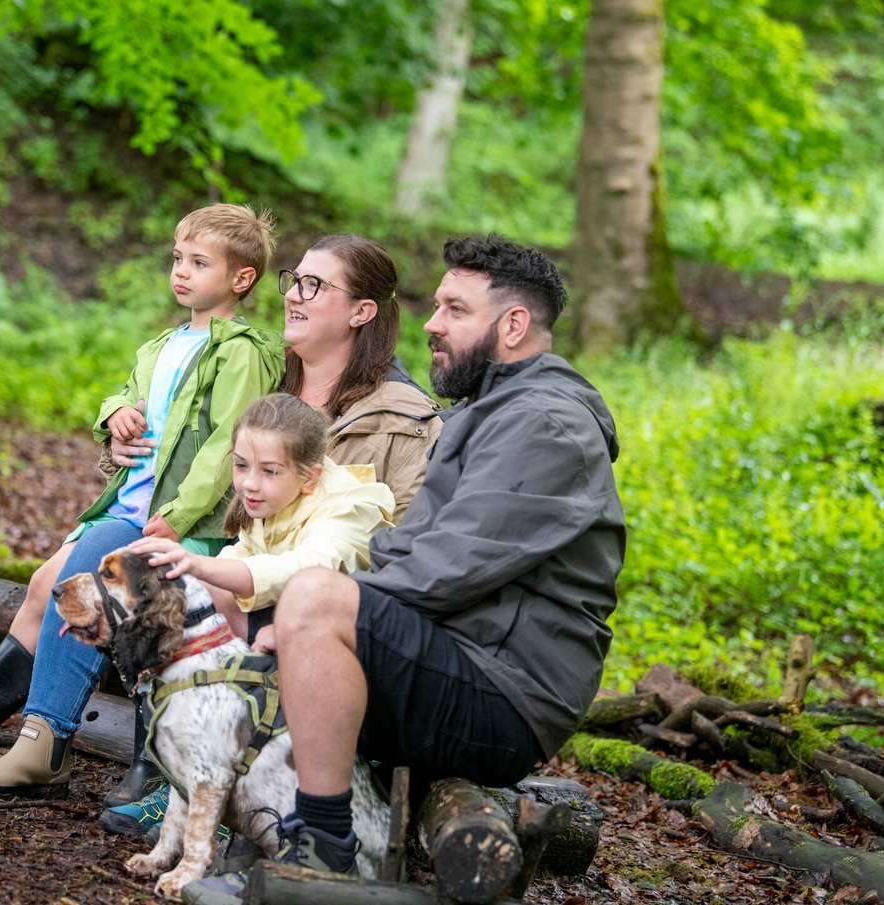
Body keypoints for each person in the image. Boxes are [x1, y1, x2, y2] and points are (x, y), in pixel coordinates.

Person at [183, 234, 626, 903]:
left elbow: (453, 567)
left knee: (309, 600)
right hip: (459, 658)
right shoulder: (488, 411)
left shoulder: (547, 424)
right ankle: (247, 812)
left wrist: (310, 609)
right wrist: (285, 609)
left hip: (506, 694)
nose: (430, 322)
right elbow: (402, 547)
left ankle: (325, 846)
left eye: (454, 309)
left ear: (512, 325)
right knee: (244, 594)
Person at [0, 203, 286, 796]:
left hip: (172, 518)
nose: (182, 272)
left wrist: (176, 519)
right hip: (127, 505)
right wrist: (115, 415)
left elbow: (226, 446)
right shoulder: (162, 345)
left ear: (241, 279)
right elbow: (128, 398)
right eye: (178, 259)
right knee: (41, 583)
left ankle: (62, 748)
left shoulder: (240, 351)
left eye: (200, 263)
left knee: (87, 585)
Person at [100, 235, 443, 825]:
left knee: (200, 582)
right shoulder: (265, 381)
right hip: (240, 570)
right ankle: (167, 766)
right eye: (295, 280)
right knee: (136, 569)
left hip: (332, 608)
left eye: (316, 285)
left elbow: (405, 551)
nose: (293, 296)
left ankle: (214, 786)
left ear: (362, 312)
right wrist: (116, 436)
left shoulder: (405, 421)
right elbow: (184, 454)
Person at [129, 392, 395, 649]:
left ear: (311, 478)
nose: (249, 484)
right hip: (293, 614)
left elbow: (304, 572)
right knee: (195, 592)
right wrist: (185, 574)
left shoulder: (349, 510)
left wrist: (198, 564)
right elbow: (241, 555)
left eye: (269, 471)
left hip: (351, 640)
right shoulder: (275, 499)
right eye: (241, 465)